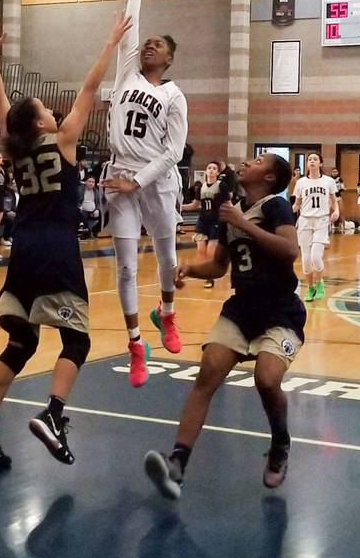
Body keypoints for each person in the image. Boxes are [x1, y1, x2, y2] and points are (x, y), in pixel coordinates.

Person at [0, 10, 131, 469]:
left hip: (23, 251)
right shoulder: (65, 140)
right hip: (56, 246)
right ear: (39, 125)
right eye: (45, 111)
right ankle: (53, 415)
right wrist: (111, 42)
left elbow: (1, 104)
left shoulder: (15, 149)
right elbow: (90, 89)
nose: (54, 112)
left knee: (22, 344)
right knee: (77, 341)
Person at [144, 153, 305, 499]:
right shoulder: (229, 210)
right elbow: (220, 266)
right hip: (241, 309)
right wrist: (190, 269)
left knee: (266, 379)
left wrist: (243, 223)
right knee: (207, 374)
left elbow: (290, 250)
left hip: (280, 310)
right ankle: (177, 464)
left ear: (271, 179)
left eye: (259, 160)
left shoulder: (275, 206)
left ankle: (280, 443)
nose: (248, 162)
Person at [101, 0, 187, 388]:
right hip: (119, 177)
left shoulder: (174, 96)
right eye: (146, 42)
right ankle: (136, 343)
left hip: (155, 182)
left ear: (169, 58)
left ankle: (166, 314)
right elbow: (131, 26)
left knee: (167, 259)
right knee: (126, 268)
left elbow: (172, 152)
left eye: (158, 45)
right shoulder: (126, 72)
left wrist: (137, 181)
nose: (148, 46)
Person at [292, 152, 337, 301]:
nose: (312, 161)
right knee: (305, 261)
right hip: (305, 221)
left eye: (315, 159)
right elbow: (297, 204)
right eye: (309, 159)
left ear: (321, 164)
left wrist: (336, 211)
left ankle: (320, 282)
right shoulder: (301, 183)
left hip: (322, 221)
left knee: (316, 257)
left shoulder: (329, 181)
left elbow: (334, 200)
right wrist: (285, 211)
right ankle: (310, 288)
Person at [181, 160, 230, 289]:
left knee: (210, 252)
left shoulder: (221, 186)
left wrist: (231, 219)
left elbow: (228, 204)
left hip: (216, 221)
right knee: (201, 251)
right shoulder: (201, 186)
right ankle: (207, 274)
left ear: (218, 172)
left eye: (214, 168)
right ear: (206, 171)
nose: (211, 170)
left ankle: (211, 276)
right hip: (203, 221)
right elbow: (195, 205)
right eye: (209, 168)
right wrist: (180, 207)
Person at [330, 166, 344, 232]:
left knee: (341, 211)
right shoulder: (330, 180)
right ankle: (331, 224)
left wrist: (340, 189)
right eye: (333, 172)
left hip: (338, 197)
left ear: (338, 172)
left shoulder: (340, 179)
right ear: (331, 173)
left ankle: (343, 225)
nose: (334, 173)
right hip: (332, 198)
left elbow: (342, 188)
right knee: (332, 211)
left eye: (336, 172)